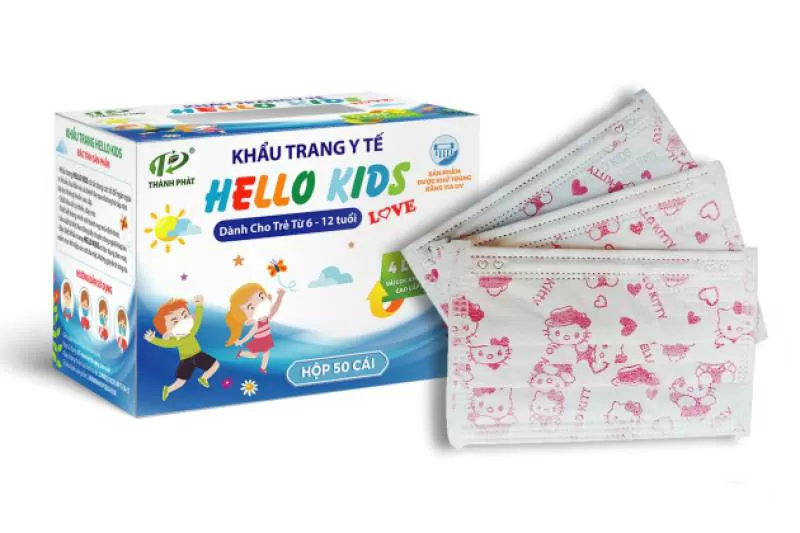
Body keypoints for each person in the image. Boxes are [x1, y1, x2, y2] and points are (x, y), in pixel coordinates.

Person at [144, 295, 219, 401]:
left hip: (188, 359)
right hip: (195, 356)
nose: (182, 322)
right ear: (167, 332)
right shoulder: (179, 338)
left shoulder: (189, 332)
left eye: (185, 316)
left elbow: (197, 321)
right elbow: (166, 343)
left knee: (182, 380)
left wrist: (199, 306)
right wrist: (153, 339)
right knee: (214, 365)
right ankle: (202, 378)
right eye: (175, 322)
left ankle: (169, 389)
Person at [225, 284, 286, 374]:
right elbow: (250, 333)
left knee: (266, 352)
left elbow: (274, 308)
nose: (259, 305)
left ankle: (262, 368)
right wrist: (241, 341)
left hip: (266, 338)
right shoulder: (257, 322)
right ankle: (241, 353)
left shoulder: (266, 317)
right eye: (251, 307)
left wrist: (280, 296)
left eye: (261, 296)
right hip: (259, 340)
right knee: (254, 355)